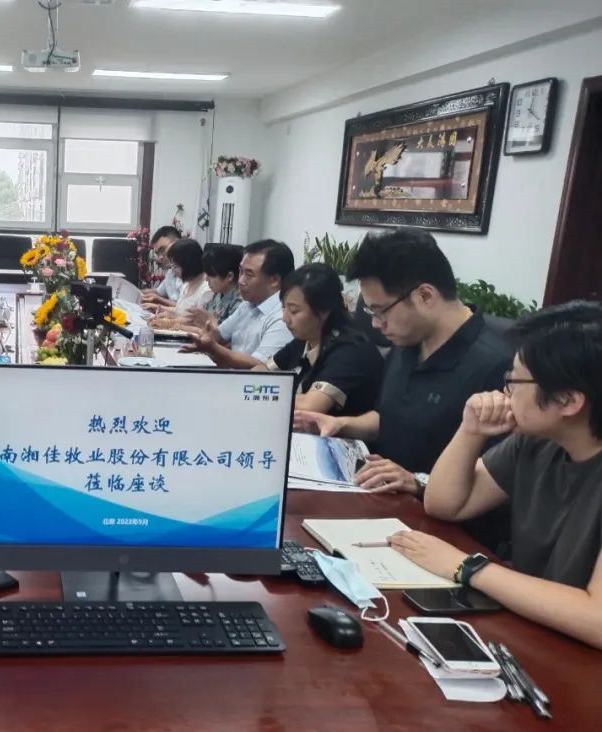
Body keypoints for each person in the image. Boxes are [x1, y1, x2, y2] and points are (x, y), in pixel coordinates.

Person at [389, 302, 602, 649]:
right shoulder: (536, 442)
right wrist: (471, 430)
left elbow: (597, 619)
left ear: (567, 401)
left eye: (513, 380)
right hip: (535, 633)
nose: (505, 392)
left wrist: (468, 568)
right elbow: (445, 505)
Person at [294, 228, 510, 496]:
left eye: (380, 311)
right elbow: (389, 417)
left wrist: (418, 481)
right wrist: (342, 425)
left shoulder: (498, 367)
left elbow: (501, 477)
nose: (375, 324)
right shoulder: (407, 341)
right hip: (380, 494)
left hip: (436, 515)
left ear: (425, 296)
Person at [256, 263, 383, 416]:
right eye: (284, 308)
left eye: (294, 311)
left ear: (323, 310)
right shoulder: (306, 338)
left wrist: (257, 394)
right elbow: (262, 370)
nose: (285, 318)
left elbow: (311, 405)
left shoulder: (350, 350)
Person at [183, 239, 294, 369]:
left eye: (249, 275)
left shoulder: (282, 317)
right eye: (241, 271)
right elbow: (220, 335)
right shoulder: (247, 305)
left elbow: (261, 365)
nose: (240, 281)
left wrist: (213, 348)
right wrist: (209, 328)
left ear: (274, 280)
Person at [150, 238, 212, 328]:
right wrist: (165, 312)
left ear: (189, 263)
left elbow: (197, 322)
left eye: (175, 266)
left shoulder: (207, 288)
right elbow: (180, 311)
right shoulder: (187, 283)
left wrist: (169, 322)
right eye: (171, 266)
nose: (173, 271)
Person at [195, 244, 243, 326]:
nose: (206, 279)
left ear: (229, 276)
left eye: (211, 275)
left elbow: (224, 332)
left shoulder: (239, 302)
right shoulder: (218, 294)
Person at [139, 225, 182, 308]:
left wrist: (159, 300)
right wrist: (132, 292)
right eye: (157, 253)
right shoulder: (170, 273)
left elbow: (186, 308)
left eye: (162, 250)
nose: (160, 257)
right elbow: (158, 292)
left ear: (177, 243)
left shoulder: (192, 274)